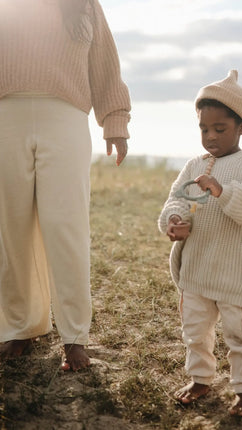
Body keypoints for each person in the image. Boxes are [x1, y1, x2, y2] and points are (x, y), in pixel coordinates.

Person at [0, 0, 131, 371]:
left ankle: (74, 337)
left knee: (67, 226)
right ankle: (20, 327)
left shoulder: (85, 4)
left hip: (67, 117)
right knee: (11, 228)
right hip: (4, 116)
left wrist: (115, 122)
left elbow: (105, 65)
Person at [158, 70, 242, 417]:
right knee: (194, 329)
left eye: (219, 129)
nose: (210, 137)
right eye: (203, 129)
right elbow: (175, 202)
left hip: (235, 273)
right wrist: (175, 222)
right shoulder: (195, 165)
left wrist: (222, 190)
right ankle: (201, 378)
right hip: (197, 268)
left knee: (240, 334)